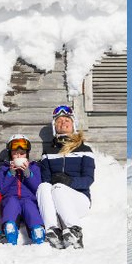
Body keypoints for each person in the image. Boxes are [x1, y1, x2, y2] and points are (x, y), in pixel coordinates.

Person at [37, 105, 95, 249]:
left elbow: (89, 179)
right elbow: (45, 179)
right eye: (59, 121)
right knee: (43, 186)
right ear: (54, 126)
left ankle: (75, 231)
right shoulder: (48, 152)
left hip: (79, 200)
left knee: (59, 188)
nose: (63, 122)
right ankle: (53, 230)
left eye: (66, 120)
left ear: (73, 124)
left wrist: (69, 181)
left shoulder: (84, 150)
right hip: (56, 201)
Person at [0, 134, 45, 245]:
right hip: (11, 198)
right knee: (11, 205)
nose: (18, 157)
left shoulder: (34, 167)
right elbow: (1, 189)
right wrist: (10, 174)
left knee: (31, 209)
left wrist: (28, 174)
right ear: (10, 155)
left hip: (29, 199)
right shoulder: (4, 169)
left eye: (22, 154)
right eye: (15, 154)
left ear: (27, 154)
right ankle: (10, 230)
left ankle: (37, 231)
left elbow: (38, 188)